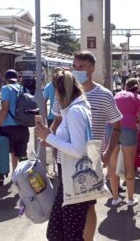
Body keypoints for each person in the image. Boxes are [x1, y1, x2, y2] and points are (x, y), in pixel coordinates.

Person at [50, 50, 122, 241]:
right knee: (68, 203)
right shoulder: (65, 93)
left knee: (88, 205)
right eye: (74, 66)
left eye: (81, 67)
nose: (77, 70)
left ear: (92, 68)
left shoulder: (104, 95)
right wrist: (51, 146)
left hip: (89, 160)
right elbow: (57, 122)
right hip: (64, 159)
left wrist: (107, 155)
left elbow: (117, 127)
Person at [35, 70, 93, 240]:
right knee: (56, 233)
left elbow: (77, 149)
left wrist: (50, 137)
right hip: (69, 177)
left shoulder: (75, 112)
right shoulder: (75, 109)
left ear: (60, 91)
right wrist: (50, 139)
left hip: (74, 179)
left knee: (70, 234)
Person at [0, 69, 30, 193]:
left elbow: (4, 109)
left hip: (8, 128)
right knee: (19, 155)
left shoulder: (6, 89)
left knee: (0, 153)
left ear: (5, 79)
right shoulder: (23, 89)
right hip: (23, 128)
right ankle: (19, 181)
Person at [110, 78, 140, 207]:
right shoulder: (138, 97)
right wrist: (135, 120)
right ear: (138, 88)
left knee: (113, 165)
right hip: (128, 130)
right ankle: (130, 200)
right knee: (129, 164)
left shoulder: (117, 95)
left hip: (111, 129)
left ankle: (115, 198)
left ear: (125, 87)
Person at [43, 67, 62, 176]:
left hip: (52, 118)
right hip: (57, 118)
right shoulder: (63, 84)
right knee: (59, 142)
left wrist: (45, 115)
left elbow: (44, 101)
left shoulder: (48, 86)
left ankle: (57, 167)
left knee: (54, 143)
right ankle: (58, 166)